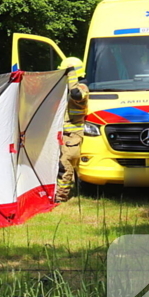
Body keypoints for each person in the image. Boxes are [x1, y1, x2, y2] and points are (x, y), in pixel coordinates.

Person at [57, 57, 89, 202]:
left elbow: (76, 94)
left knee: (65, 164)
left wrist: (71, 73)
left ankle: (61, 196)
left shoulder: (82, 88)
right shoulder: (64, 90)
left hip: (73, 136)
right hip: (64, 135)